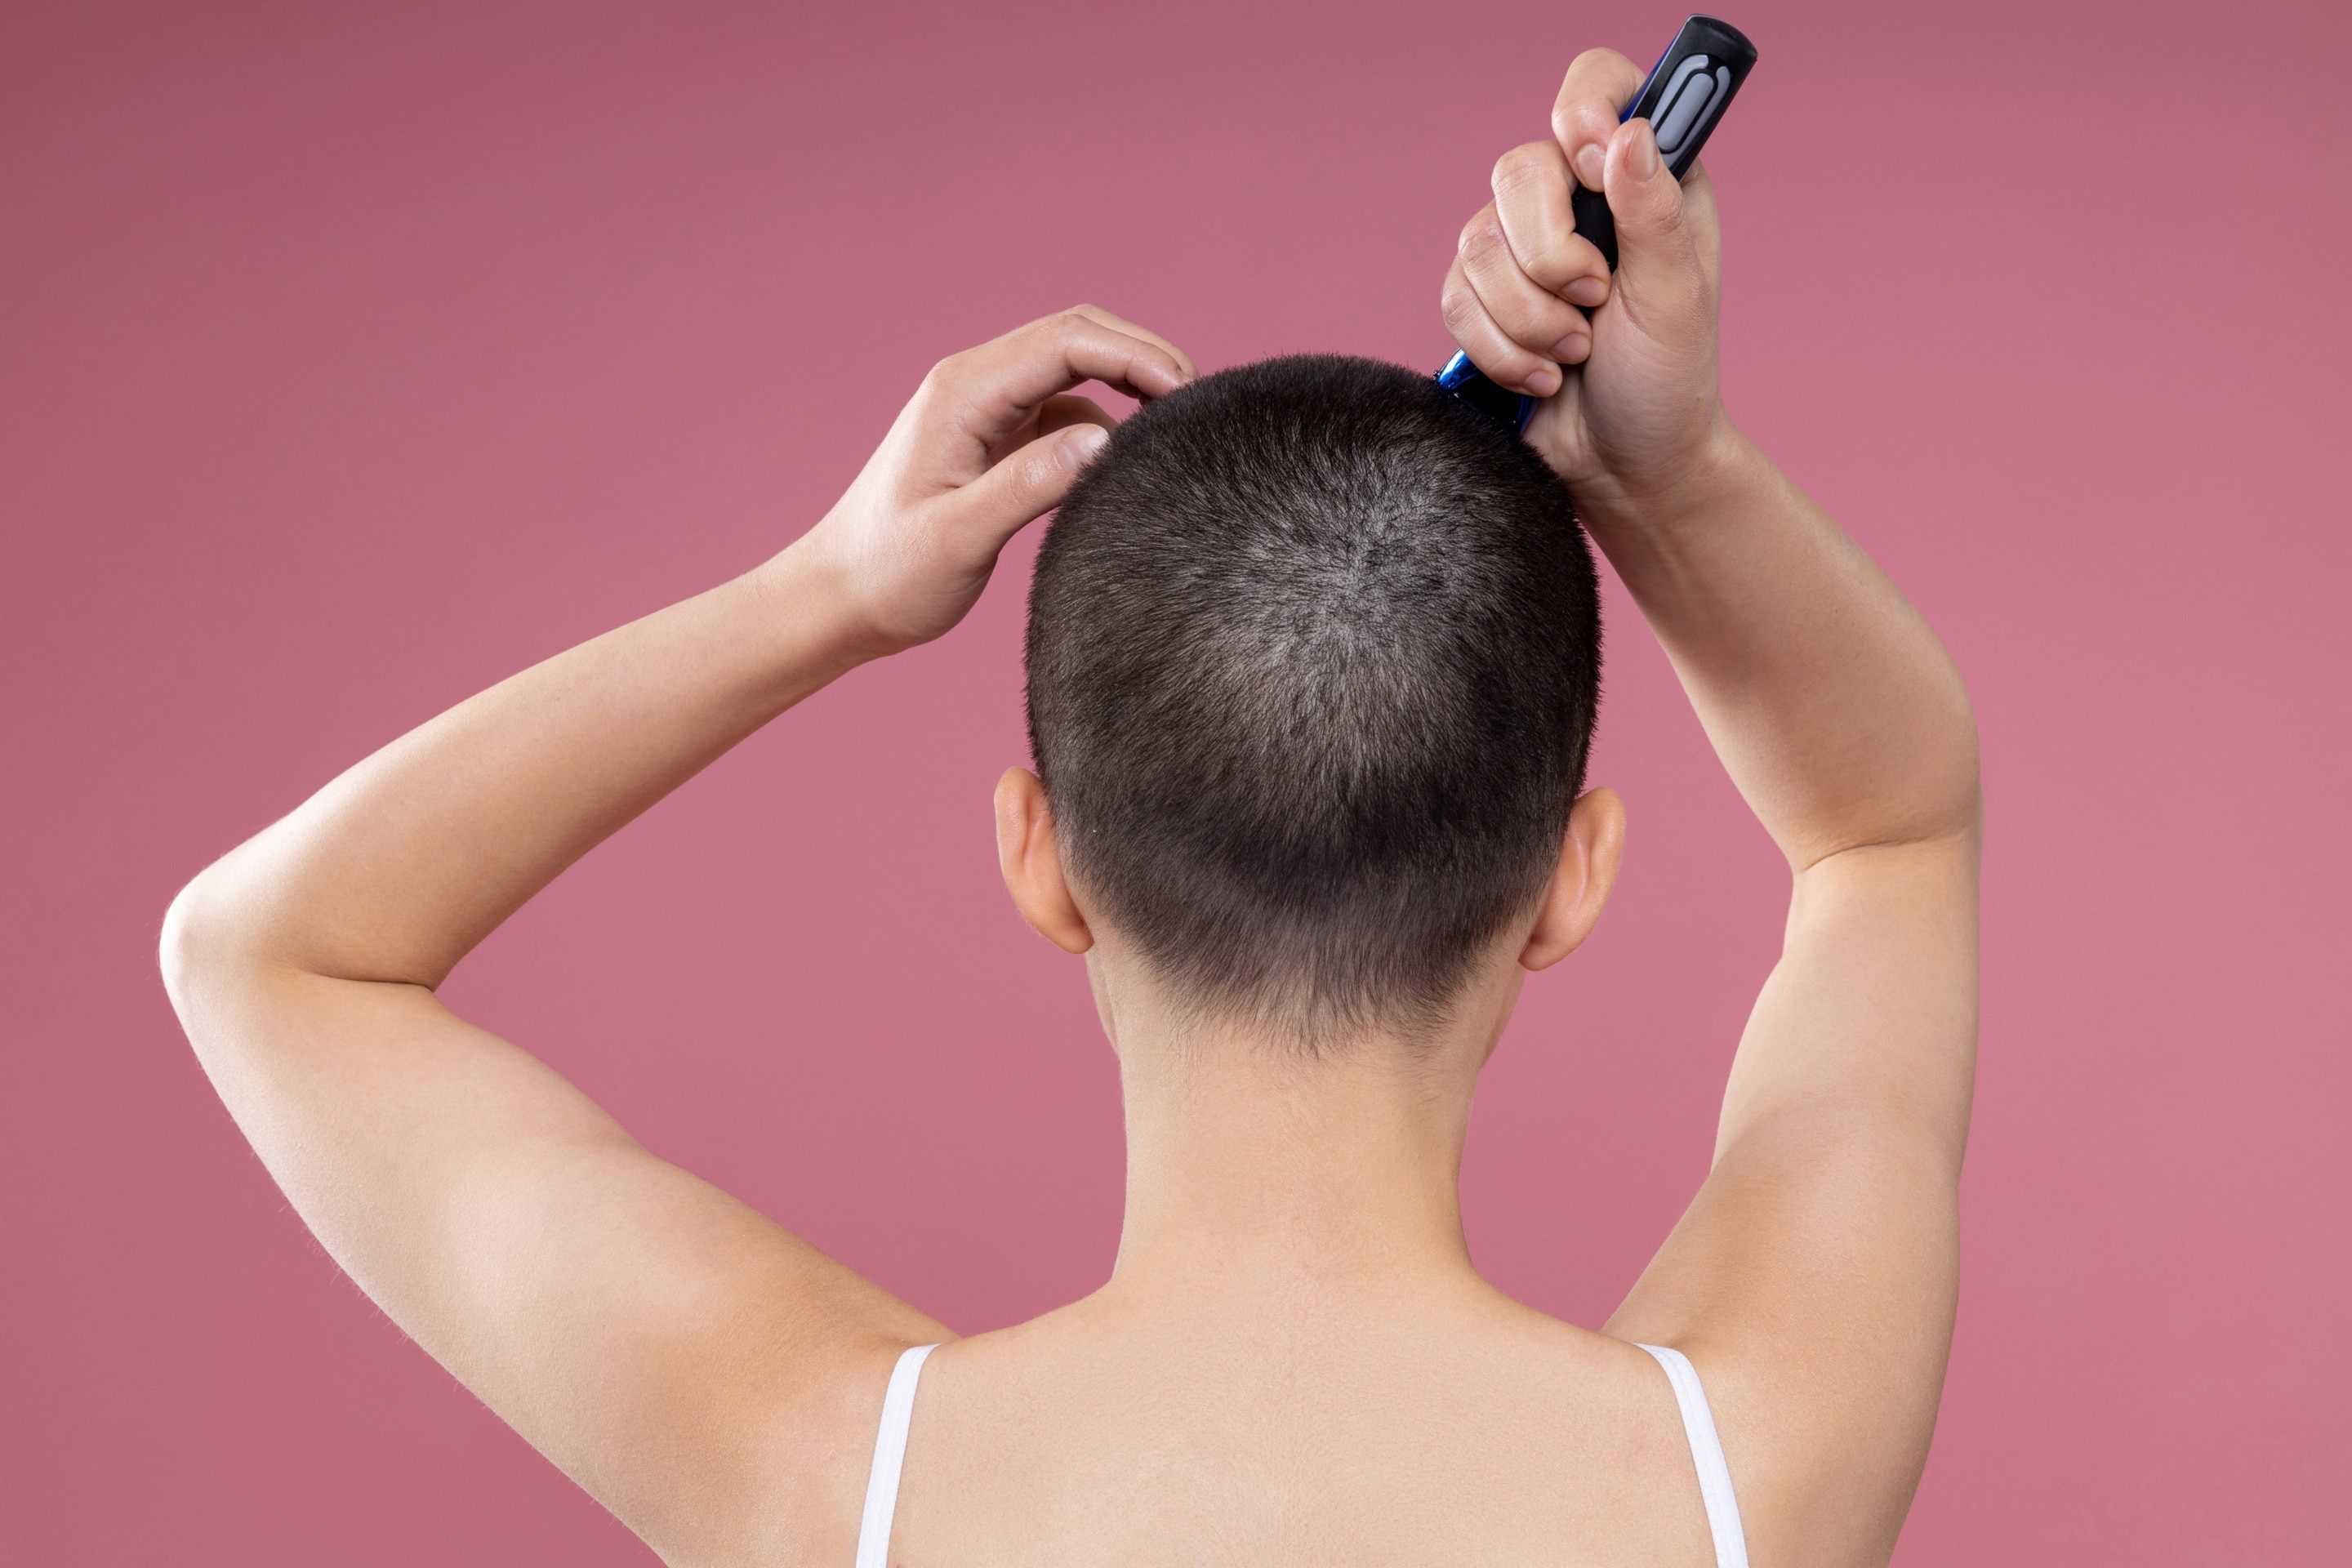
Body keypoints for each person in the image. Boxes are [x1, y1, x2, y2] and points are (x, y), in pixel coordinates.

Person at [162, 47, 1977, 1568]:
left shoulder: (837, 1479)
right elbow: (1889, 826)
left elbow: (275, 959)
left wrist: (831, 590)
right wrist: (1678, 481)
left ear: (1041, 861)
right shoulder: (1745, 1476)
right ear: (1572, 879)